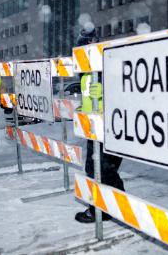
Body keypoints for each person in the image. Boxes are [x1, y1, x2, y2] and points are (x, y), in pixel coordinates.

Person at [74, 28, 125, 223]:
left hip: (110, 127)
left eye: (89, 46)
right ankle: (108, 208)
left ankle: (111, 207)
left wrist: (106, 91)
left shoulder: (108, 66)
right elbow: (88, 98)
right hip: (94, 128)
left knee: (102, 169)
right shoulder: (86, 73)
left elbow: (125, 89)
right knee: (97, 169)